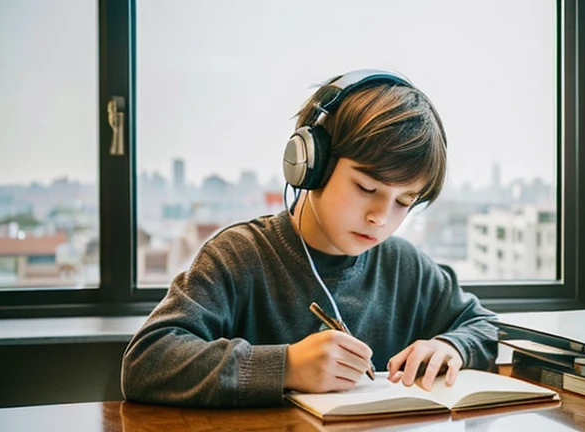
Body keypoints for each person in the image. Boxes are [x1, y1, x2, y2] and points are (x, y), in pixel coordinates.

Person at [121, 69, 498, 407]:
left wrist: (451, 345)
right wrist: (286, 367)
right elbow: (146, 362)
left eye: (403, 201)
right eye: (366, 187)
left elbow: (484, 326)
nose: (380, 218)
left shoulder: (404, 265)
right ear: (310, 165)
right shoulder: (239, 256)